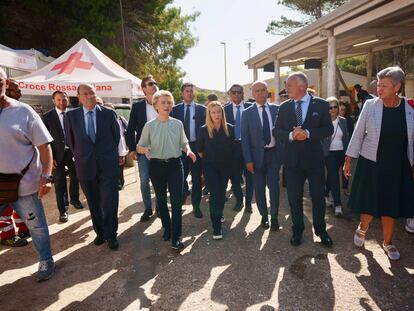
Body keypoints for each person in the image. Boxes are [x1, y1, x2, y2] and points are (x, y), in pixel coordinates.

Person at [344, 66, 414, 260]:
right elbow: (358, 133)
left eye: (384, 86)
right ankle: (362, 228)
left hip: (398, 164)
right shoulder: (371, 105)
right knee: (369, 202)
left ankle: (388, 242)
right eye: (378, 85)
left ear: (397, 87)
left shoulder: (410, 108)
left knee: (390, 205)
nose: (379, 89)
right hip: (371, 161)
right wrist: (349, 158)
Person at [0, 68, 55, 281]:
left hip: (24, 185)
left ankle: (46, 260)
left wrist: (46, 176)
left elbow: (44, 147)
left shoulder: (24, 112)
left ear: (6, 84)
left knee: (37, 227)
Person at [274, 72, 334, 247]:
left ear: (302, 86)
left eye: (289, 85)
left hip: (315, 161)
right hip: (292, 163)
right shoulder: (284, 107)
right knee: (294, 198)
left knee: (318, 197)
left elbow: (328, 129)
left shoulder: (321, 104)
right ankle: (298, 229)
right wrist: (292, 135)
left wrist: (307, 133)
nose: (286, 89)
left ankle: (321, 230)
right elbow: (276, 131)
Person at [137, 90, 196, 250]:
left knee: (177, 202)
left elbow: (184, 142)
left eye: (169, 102)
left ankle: (176, 237)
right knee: (161, 201)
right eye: (163, 102)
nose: (167, 105)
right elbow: (139, 146)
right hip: (156, 166)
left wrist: (188, 150)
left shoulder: (177, 123)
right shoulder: (149, 126)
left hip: (176, 165)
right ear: (155, 105)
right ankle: (167, 227)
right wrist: (145, 150)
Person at [64, 84, 121, 250]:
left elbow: (116, 137)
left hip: (107, 166)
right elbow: (70, 141)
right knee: (93, 202)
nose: (89, 96)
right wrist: (84, 155)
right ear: (79, 97)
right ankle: (100, 233)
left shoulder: (109, 114)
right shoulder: (71, 116)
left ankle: (111, 235)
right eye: (85, 94)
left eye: (92, 93)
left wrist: (107, 154)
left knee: (110, 202)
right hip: (85, 167)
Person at [242, 81, 283, 231]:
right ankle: (264, 216)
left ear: (267, 92)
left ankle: (274, 217)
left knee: (274, 187)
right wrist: (248, 160)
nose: (260, 93)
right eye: (257, 91)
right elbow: (245, 140)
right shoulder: (247, 113)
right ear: (253, 94)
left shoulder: (277, 109)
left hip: (273, 155)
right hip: (255, 158)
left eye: (263, 90)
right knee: (259, 188)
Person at [42, 91, 83, 223]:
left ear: (68, 100)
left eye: (64, 99)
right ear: (53, 101)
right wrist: (50, 158)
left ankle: (75, 200)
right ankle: (63, 211)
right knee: (60, 183)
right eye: (58, 100)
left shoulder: (75, 114)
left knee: (76, 178)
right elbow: (45, 140)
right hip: (56, 155)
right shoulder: (47, 117)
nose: (62, 102)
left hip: (74, 152)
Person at [198, 101, 234, 239]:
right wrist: (209, 161)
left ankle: (219, 213)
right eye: (213, 112)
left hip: (225, 167)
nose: (216, 115)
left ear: (222, 113)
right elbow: (200, 150)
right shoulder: (203, 129)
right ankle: (216, 226)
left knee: (221, 193)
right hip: (210, 167)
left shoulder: (229, 128)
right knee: (214, 193)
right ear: (209, 114)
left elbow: (232, 147)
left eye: (219, 112)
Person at [0, 80, 30, 247]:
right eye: (16, 91)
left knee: (18, 202)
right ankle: (7, 236)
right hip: (3, 170)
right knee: (5, 207)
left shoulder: (19, 110)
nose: (20, 93)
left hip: (18, 169)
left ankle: (23, 228)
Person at [126, 75, 159, 221]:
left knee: (159, 180)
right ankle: (147, 208)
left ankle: (160, 207)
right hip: (143, 149)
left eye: (155, 83)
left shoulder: (163, 102)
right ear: (144, 88)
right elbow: (130, 128)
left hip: (161, 149)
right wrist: (132, 149)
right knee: (145, 180)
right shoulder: (138, 107)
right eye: (151, 84)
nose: (154, 85)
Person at [171, 82, 206, 218]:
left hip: (197, 149)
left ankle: (196, 206)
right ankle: (179, 203)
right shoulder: (175, 109)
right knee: (179, 178)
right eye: (187, 91)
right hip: (180, 150)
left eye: (191, 91)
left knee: (197, 179)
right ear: (182, 93)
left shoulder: (201, 109)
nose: (190, 93)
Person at [224, 84, 253, 212]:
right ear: (229, 94)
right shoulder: (224, 110)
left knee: (250, 177)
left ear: (243, 94)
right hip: (232, 148)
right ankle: (239, 200)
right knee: (235, 177)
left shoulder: (250, 108)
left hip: (249, 148)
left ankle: (248, 204)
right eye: (233, 92)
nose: (236, 94)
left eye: (239, 92)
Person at [323, 96, 349, 217]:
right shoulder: (323, 122)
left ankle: (325, 194)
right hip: (329, 153)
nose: (333, 109)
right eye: (330, 107)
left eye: (335, 107)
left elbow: (346, 138)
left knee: (331, 176)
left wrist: (348, 154)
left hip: (341, 152)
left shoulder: (343, 121)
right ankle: (338, 205)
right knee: (334, 176)